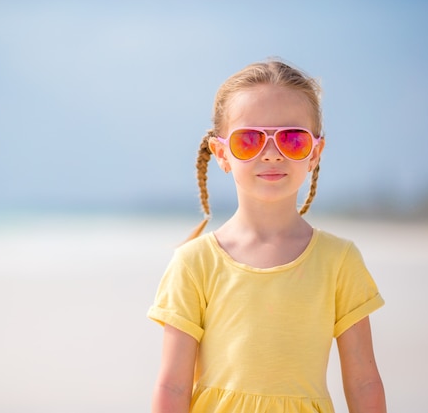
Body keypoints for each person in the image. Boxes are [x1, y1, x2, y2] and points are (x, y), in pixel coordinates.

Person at [147, 59, 386, 413]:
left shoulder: (339, 261)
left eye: (292, 139)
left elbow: (364, 381)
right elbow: (173, 385)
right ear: (222, 153)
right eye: (249, 140)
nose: (272, 153)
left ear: (315, 153)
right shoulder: (194, 263)